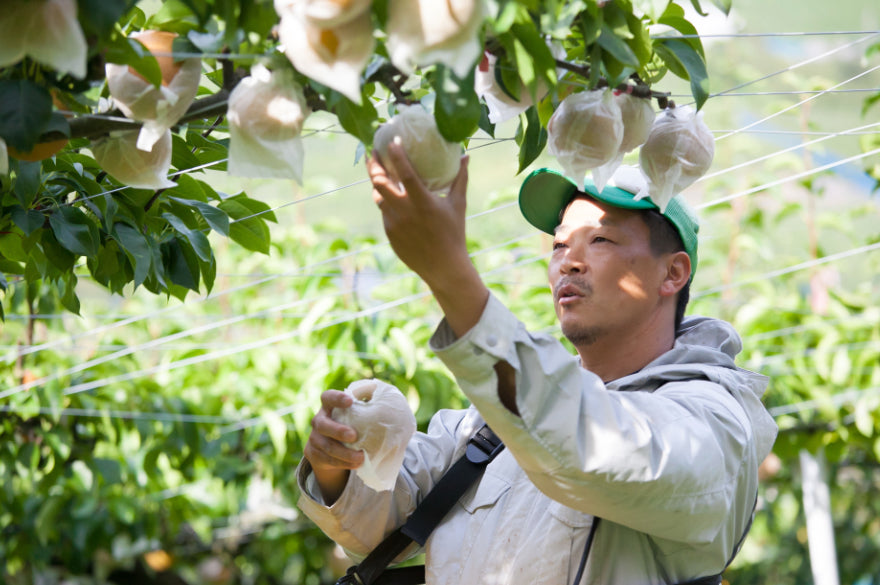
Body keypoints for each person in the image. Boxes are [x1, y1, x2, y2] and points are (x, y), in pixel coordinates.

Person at [295, 142, 778, 584]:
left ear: (672, 272)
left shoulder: (714, 422)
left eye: (601, 241)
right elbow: (382, 516)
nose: (569, 261)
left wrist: (452, 277)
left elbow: (593, 449)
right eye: (560, 245)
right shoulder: (489, 427)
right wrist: (337, 463)